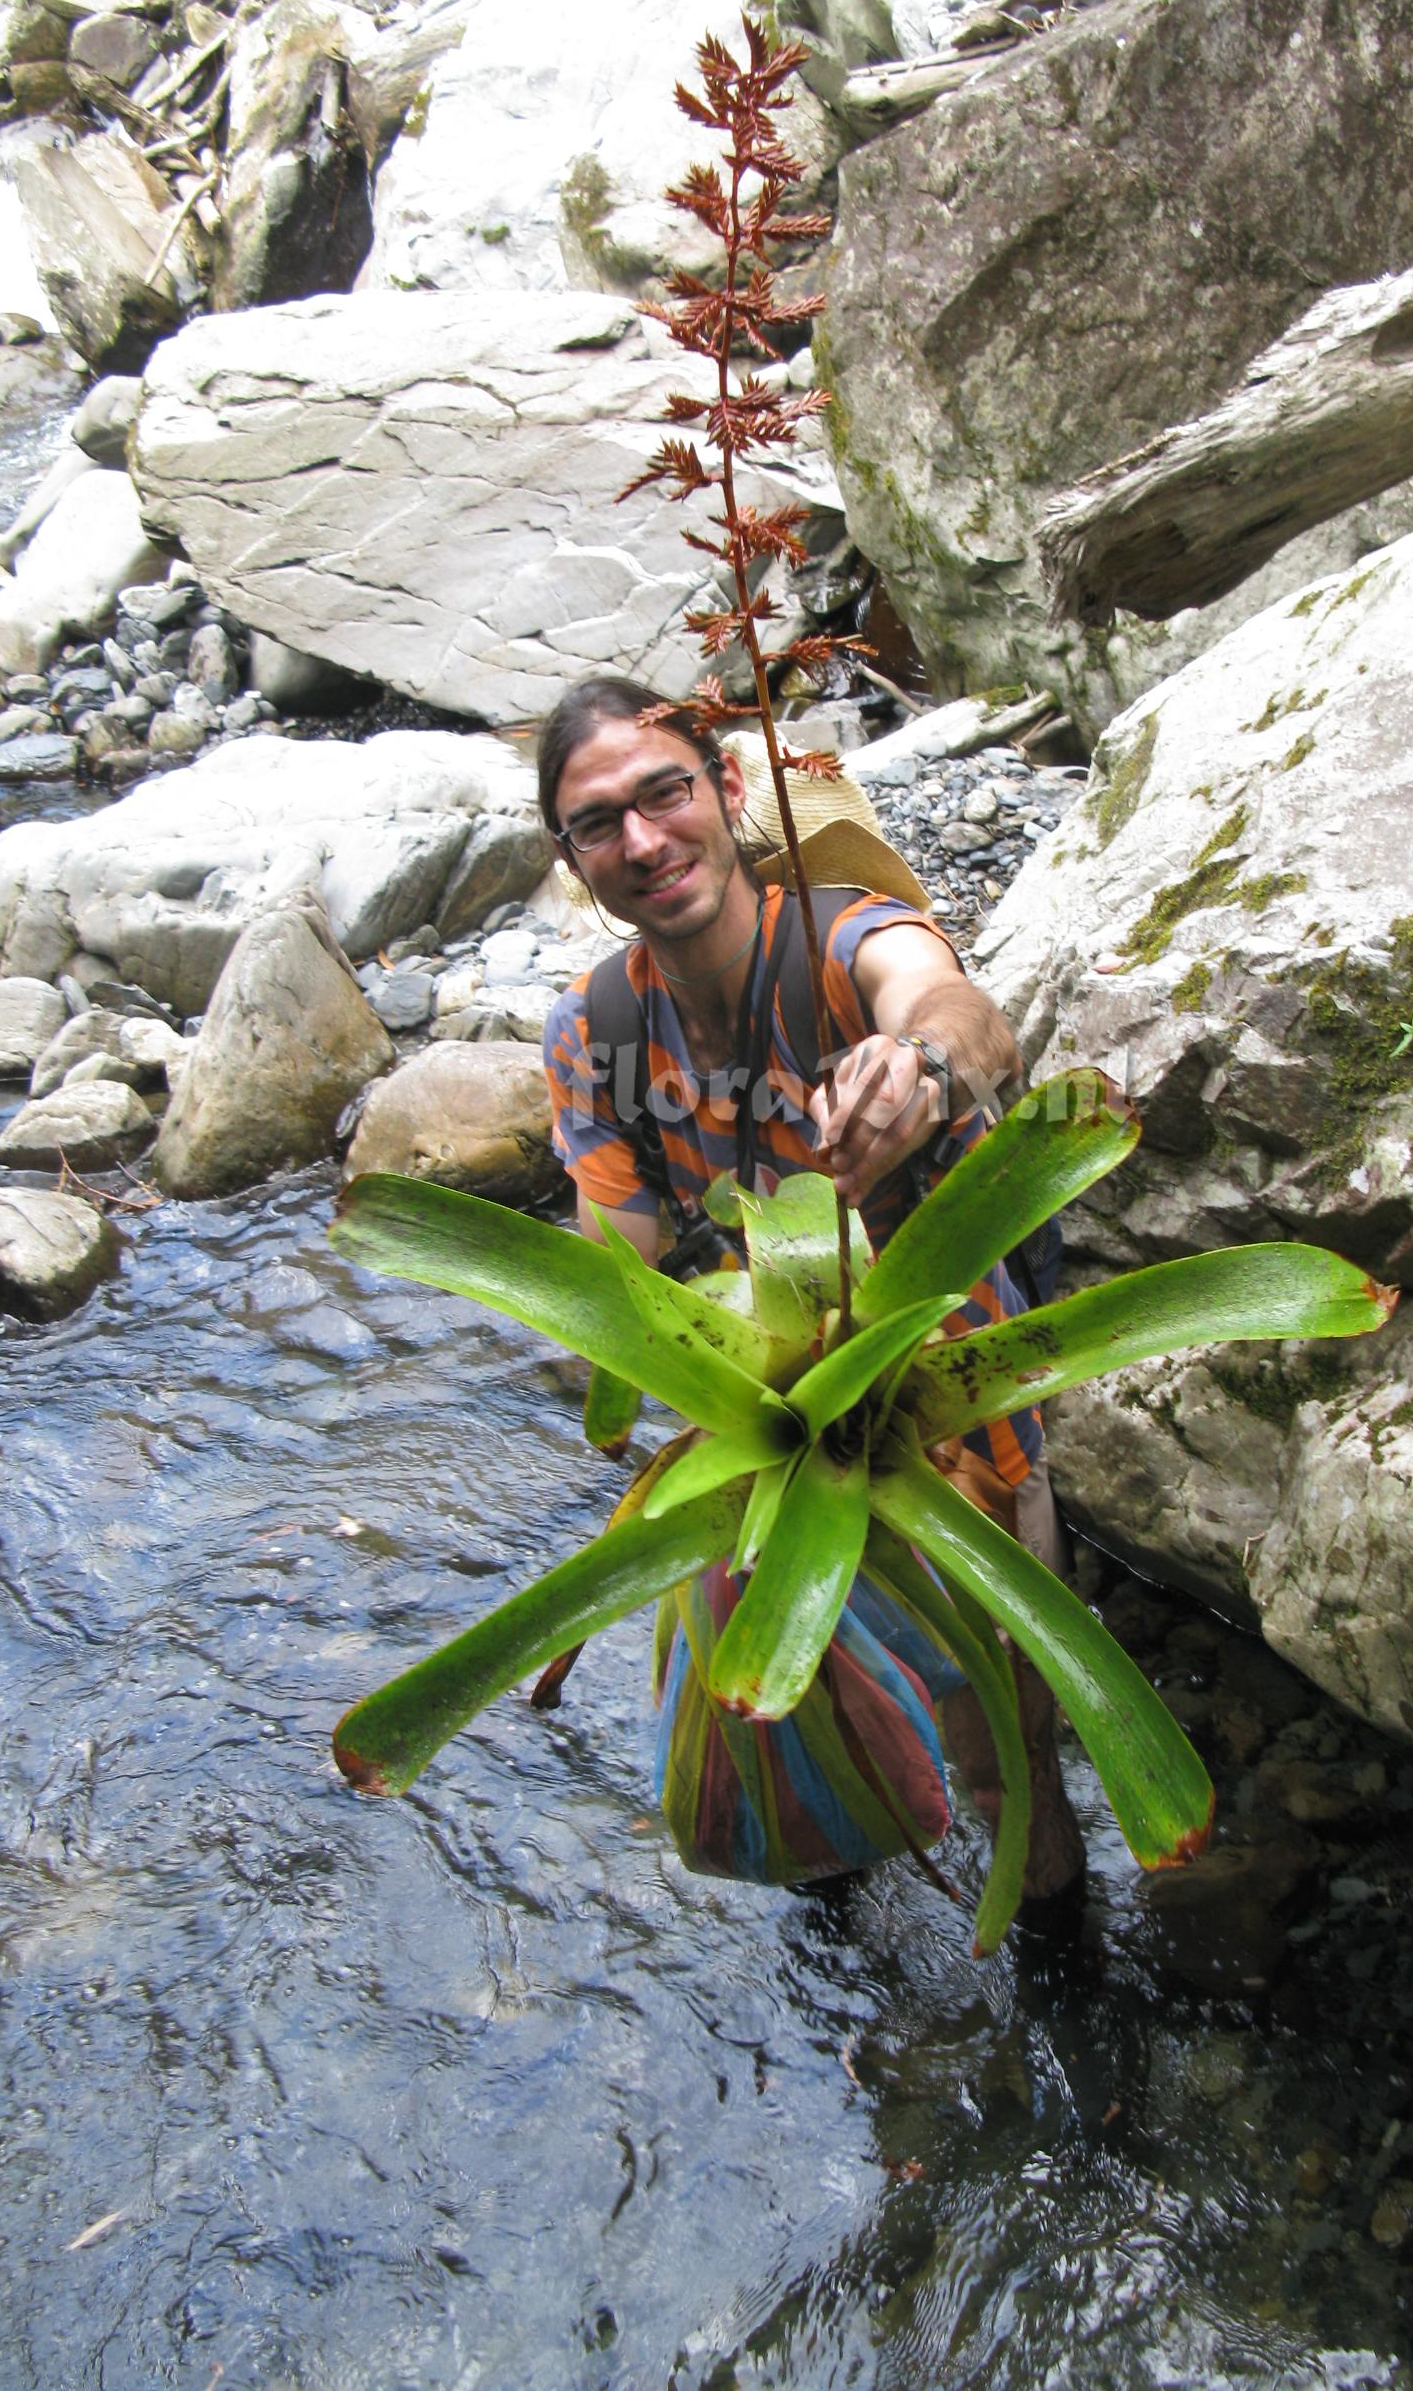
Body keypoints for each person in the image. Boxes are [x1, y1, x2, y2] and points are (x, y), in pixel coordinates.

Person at [538, 674, 1085, 1906]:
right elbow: (615, 1287)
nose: (641, 840)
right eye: (597, 822)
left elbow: (957, 1009)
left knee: (1012, 1761)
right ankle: (839, 1919)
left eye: (663, 792)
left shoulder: (841, 942)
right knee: (790, 1761)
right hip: (775, 1446)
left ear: (726, 790)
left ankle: (1057, 1971)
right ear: (569, 859)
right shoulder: (598, 1030)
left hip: (962, 1428)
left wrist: (922, 1064)